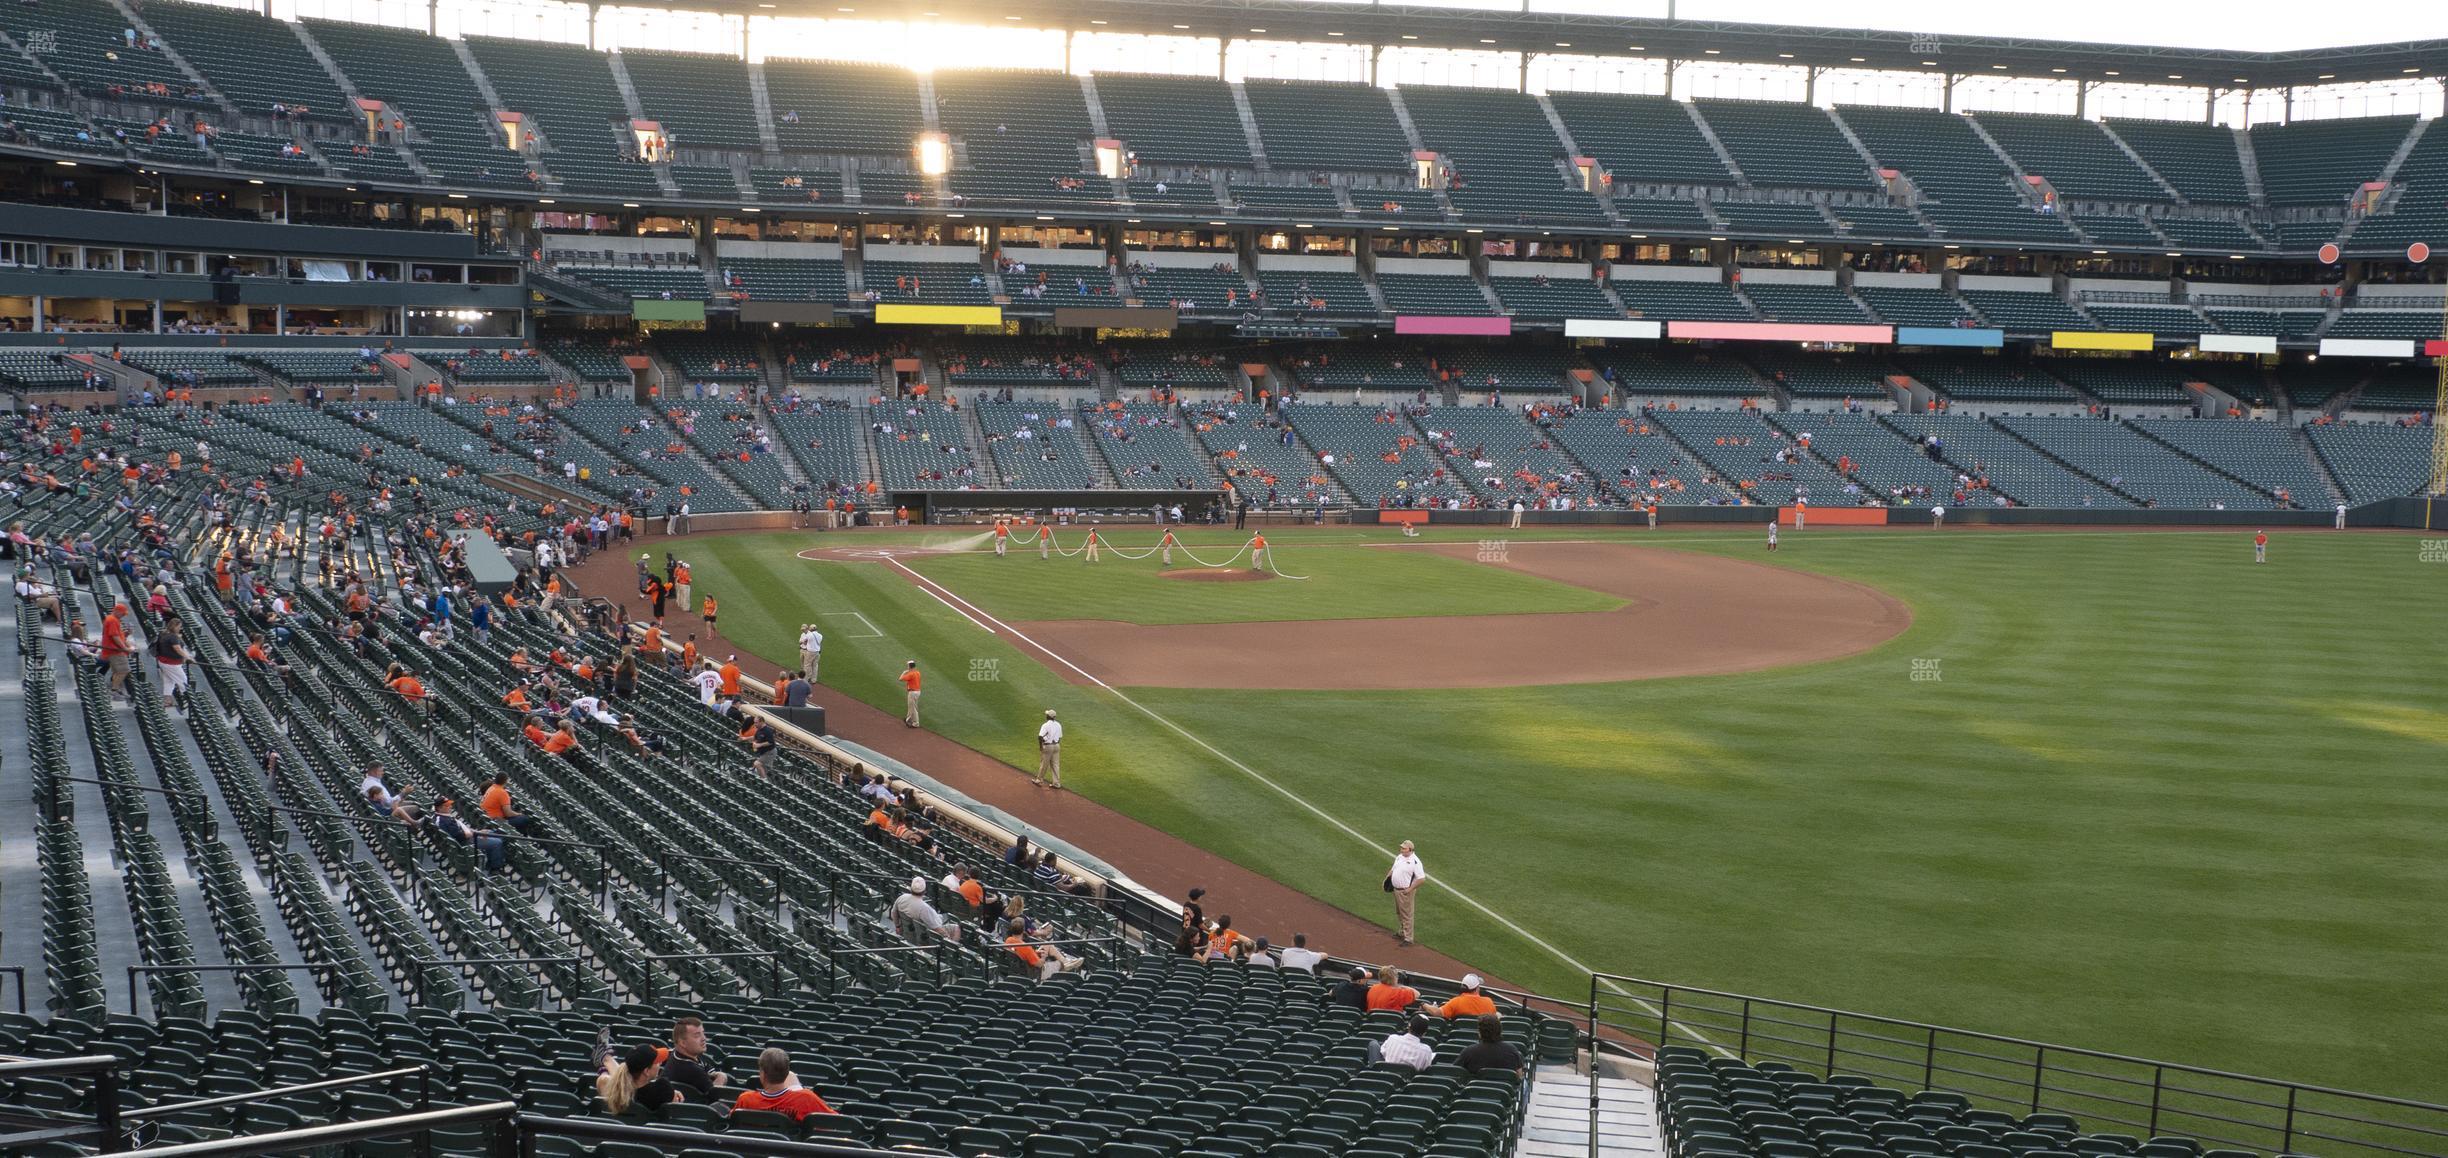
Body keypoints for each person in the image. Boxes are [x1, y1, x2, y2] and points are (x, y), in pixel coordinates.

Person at [731, 1048, 835, 1121]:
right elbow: (837, 1121)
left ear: (762, 1074)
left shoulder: (745, 1099)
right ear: (787, 1074)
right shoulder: (806, 1098)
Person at [429, 797, 507, 874]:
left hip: (467, 836)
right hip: (464, 842)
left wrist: (478, 832)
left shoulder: (442, 816)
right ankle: (495, 868)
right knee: (497, 843)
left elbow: (461, 828)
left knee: (493, 833)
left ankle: (492, 861)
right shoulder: (442, 820)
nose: (450, 807)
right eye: (447, 806)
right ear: (439, 808)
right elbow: (459, 836)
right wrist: (476, 834)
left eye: (449, 805)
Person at [597, 1043, 680, 1114]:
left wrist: (603, 1071)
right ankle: (606, 1059)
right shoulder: (663, 1087)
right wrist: (671, 1092)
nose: (660, 1063)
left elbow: (603, 1081)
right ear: (646, 1071)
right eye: (657, 1062)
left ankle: (606, 1059)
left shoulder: (618, 1094)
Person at [662, 1017, 729, 1102]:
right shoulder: (692, 1070)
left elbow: (708, 1069)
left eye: (703, 1033)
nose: (704, 1038)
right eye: (697, 1035)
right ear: (682, 1043)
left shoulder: (677, 1054)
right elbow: (715, 1096)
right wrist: (721, 1077)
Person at [891, 875, 957, 941]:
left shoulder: (902, 897)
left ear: (911, 889)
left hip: (906, 933)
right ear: (924, 891)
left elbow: (894, 913)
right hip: (923, 938)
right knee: (956, 928)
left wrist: (897, 926)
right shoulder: (924, 908)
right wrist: (947, 937)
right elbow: (937, 928)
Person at [1457, 1013, 1524, 1075]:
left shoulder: (1469, 1051)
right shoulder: (1511, 1049)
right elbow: (1519, 1075)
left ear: (1480, 1033)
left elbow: (1455, 1071)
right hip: (1503, 1088)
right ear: (1500, 1030)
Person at [1388, 839, 1425, 946]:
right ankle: (1402, 932)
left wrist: (1409, 890)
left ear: (1411, 850)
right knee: (1399, 912)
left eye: (1404, 848)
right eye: (1401, 848)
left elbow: (1421, 879)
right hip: (1396, 890)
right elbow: (1393, 869)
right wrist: (1388, 878)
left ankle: (1408, 938)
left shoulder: (1415, 862)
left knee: (1407, 914)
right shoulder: (1399, 857)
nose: (1401, 849)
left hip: (1405, 891)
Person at [100, 601, 135, 699]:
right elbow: (114, 636)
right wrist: (125, 648)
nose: (123, 615)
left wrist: (126, 633)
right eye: (123, 613)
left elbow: (118, 635)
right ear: (118, 611)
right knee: (123, 670)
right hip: (115, 651)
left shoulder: (112, 619)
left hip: (114, 650)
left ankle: (117, 690)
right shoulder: (112, 620)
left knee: (117, 671)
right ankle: (114, 691)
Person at [1173, 887, 1207, 957]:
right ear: (1198, 897)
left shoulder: (1186, 904)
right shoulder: (1197, 908)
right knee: (1194, 953)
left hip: (1185, 932)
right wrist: (1210, 930)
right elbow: (1200, 925)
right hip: (1193, 934)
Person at [1035, 709, 1063, 789]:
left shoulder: (1045, 725)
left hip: (1048, 746)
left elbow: (1040, 737)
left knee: (1044, 764)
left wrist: (1041, 746)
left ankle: (1039, 780)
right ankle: (1056, 783)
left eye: (1046, 715)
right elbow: (1060, 737)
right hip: (1057, 746)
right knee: (1055, 765)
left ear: (1048, 716)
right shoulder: (1058, 724)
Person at [899, 661, 922, 728]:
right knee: (912, 707)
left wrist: (904, 672)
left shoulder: (911, 674)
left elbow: (900, 679)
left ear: (909, 666)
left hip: (913, 693)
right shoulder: (917, 672)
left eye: (908, 665)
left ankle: (916, 723)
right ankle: (908, 719)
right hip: (917, 692)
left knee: (913, 707)